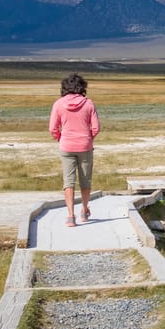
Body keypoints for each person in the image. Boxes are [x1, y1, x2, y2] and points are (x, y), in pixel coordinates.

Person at [49, 73, 101, 227]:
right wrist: (88, 138)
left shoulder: (58, 104)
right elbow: (96, 128)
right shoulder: (89, 104)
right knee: (85, 180)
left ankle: (70, 216)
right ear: (82, 87)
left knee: (68, 181)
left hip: (66, 146)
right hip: (85, 146)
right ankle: (84, 211)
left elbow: (53, 128)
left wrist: (61, 137)